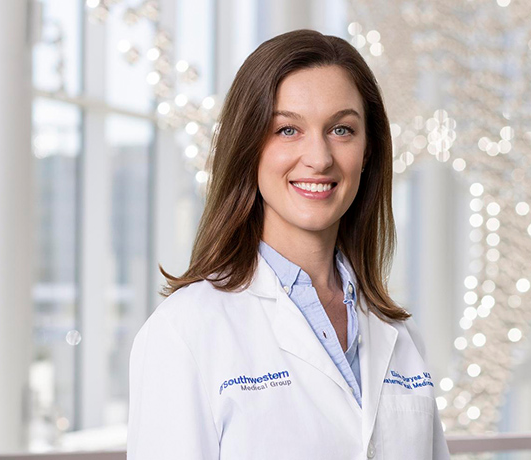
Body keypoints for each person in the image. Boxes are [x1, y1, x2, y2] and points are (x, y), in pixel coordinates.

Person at [126, 29, 450, 460]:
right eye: (287, 130)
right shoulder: (184, 332)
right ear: (249, 147)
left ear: (368, 151)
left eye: (341, 129)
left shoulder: (399, 335)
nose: (319, 157)